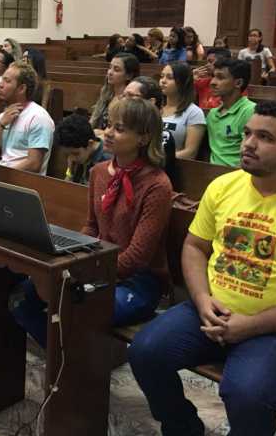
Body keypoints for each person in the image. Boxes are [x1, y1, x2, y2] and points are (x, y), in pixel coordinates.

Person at [129, 101, 276, 436]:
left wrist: (250, 325)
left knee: (246, 394)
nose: (249, 144)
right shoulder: (223, 187)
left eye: (265, 137)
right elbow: (195, 247)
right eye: (247, 133)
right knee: (145, 352)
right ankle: (182, 427)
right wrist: (202, 300)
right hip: (211, 311)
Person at [12, 97, 172, 348]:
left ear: (143, 138)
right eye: (108, 125)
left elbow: (137, 257)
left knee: (77, 307)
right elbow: (92, 226)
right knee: (23, 296)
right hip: (97, 264)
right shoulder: (98, 172)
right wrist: (72, 257)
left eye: (119, 128)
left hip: (138, 281)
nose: (108, 132)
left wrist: (85, 270)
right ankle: (65, 358)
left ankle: (74, 361)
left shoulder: (157, 185)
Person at [0, 61, 55, 175]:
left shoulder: (38, 117)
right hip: (3, 176)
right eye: (2, 79)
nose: (0, 84)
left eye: (7, 81)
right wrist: (0, 125)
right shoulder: (3, 116)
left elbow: (34, 164)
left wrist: (2, 176)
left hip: (23, 181)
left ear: (21, 88)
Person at [123, 76, 177, 182]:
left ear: (151, 102)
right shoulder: (122, 129)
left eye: (130, 96)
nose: (124, 101)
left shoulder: (163, 136)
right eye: (124, 96)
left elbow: (147, 176)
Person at [205, 58, 256, 167]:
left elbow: (250, 153)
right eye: (213, 76)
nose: (212, 82)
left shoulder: (249, 111)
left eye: (220, 77)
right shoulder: (212, 114)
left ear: (238, 83)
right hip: (211, 171)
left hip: (237, 173)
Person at [160, 62, 206, 159]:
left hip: (174, 164)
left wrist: (159, 158)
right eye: (162, 76)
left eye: (170, 77)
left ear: (183, 82)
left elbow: (190, 153)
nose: (163, 81)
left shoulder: (194, 112)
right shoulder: (156, 107)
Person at [90, 53, 140, 134]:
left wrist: (102, 133)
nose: (110, 72)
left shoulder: (130, 101)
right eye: (110, 67)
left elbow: (126, 132)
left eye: (116, 70)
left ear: (129, 76)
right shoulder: (107, 95)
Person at [55, 112, 111, 184]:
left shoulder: (107, 161)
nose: (71, 158)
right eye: (67, 155)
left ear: (90, 144)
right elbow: (67, 188)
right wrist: (70, 172)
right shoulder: (80, 156)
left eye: (75, 154)